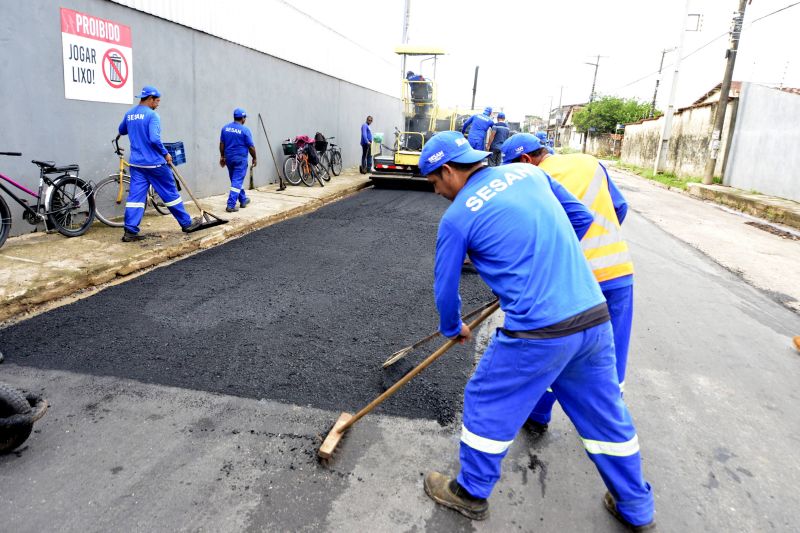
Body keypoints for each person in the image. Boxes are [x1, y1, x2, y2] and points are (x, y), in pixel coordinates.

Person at [418, 130, 654, 529]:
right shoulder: (531, 176)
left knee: (486, 398)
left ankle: (470, 493)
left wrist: (452, 327)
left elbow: (445, 289)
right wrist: (545, 262)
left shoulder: (457, 219)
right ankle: (636, 506)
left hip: (539, 332)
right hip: (593, 316)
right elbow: (581, 217)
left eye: (434, 182)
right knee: (605, 416)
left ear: (447, 171)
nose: (437, 191)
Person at [501, 133, 636, 438]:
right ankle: (611, 425)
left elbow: (527, 236)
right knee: (613, 351)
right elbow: (620, 207)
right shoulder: (590, 163)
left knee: (555, 346)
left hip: (573, 282)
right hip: (617, 273)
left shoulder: (531, 181)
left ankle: (537, 414)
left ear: (525, 160)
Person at [116, 85, 199, 242]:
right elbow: (154, 139)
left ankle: (130, 231)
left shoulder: (129, 114)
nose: (158, 104)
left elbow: (121, 130)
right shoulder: (153, 116)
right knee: (170, 193)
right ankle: (187, 223)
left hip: (137, 165)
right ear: (150, 99)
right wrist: (165, 153)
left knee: (135, 197)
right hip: (154, 164)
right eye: (157, 101)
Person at [219, 108, 257, 213]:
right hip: (240, 159)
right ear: (243, 118)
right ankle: (230, 205)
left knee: (235, 179)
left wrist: (222, 156)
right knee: (237, 181)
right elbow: (251, 147)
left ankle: (243, 199)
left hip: (229, 159)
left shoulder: (225, 128)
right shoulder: (245, 130)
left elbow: (222, 143)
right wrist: (254, 157)